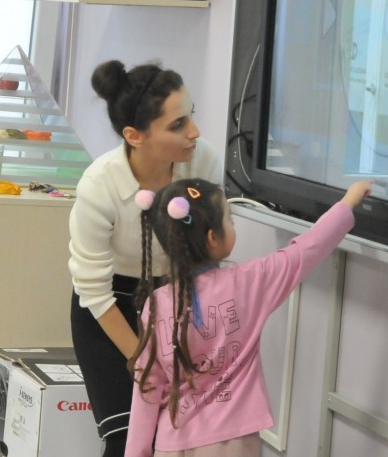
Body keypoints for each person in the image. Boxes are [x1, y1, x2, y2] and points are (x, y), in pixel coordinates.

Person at [125, 177, 372, 457]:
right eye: (230, 220)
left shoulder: (155, 305)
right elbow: (306, 249)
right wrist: (348, 202)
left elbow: (147, 386)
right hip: (234, 445)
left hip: (171, 444)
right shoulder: (249, 282)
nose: (232, 225)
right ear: (213, 238)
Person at [68, 60, 223, 457]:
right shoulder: (99, 185)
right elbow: (93, 292)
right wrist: (146, 362)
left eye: (191, 116)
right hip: (111, 309)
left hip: (177, 300)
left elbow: (207, 252)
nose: (194, 132)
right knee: (128, 438)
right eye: (178, 125)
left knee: (180, 436)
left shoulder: (201, 161)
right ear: (134, 136)